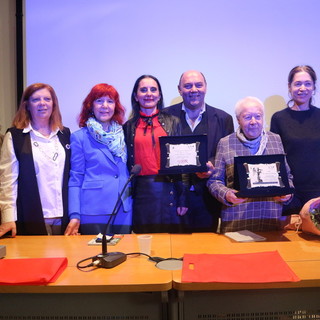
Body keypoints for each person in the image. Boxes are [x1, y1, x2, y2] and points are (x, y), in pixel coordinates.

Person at [208, 96, 293, 233]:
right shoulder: (226, 143)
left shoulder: (275, 140)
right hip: (236, 221)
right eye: (247, 117)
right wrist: (226, 194)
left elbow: (287, 177)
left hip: (270, 219)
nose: (254, 122)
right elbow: (214, 181)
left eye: (258, 116)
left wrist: (287, 194)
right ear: (238, 120)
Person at [164, 70, 234, 232]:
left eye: (198, 85)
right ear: (179, 89)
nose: (193, 90)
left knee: (206, 249)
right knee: (172, 250)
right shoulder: (164, 116)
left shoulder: (224, 119)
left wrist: (213, 167)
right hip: (173, 198)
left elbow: (228, 157)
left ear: (206, 87)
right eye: (187, 86)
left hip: (208, 197)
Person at [0, 83, 70, 236]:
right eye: (36, 100)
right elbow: (7, 181)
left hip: (63, 217)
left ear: (54, 104)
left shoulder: (65, 135)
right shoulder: (15, 136)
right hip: (31, 217)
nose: (42, 103)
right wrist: (7, 217)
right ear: (27, 105)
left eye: (47, 99)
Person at [123, 75, 188, 233]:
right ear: (136, 96)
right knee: (145, 245)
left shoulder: (174, 122)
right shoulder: (128, 127)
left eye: (153, 89)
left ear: (159, 95)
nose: (148, 94)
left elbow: (183, 163)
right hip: (142, 192)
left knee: (170, 247)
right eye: (143, 90)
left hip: (169, 188)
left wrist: (183, 197)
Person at [65, 84, 132, 235]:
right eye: (99, 101)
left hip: (124, 208)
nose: (105, 106)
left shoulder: (124, 134)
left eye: (110, 101)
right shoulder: (79, 137)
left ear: (116, 106)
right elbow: (76, 178)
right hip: (94, 209)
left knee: (126, 254)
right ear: (91, 106)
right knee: (95, 256)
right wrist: (74, 214)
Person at [270, 65, 320, 215]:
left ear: (314, 87)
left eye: (307, 83)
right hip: (289, 192)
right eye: (297, 83)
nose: (302, 88)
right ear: (289, 87)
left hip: (317, 192)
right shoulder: (279, 118)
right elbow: (275, 158)